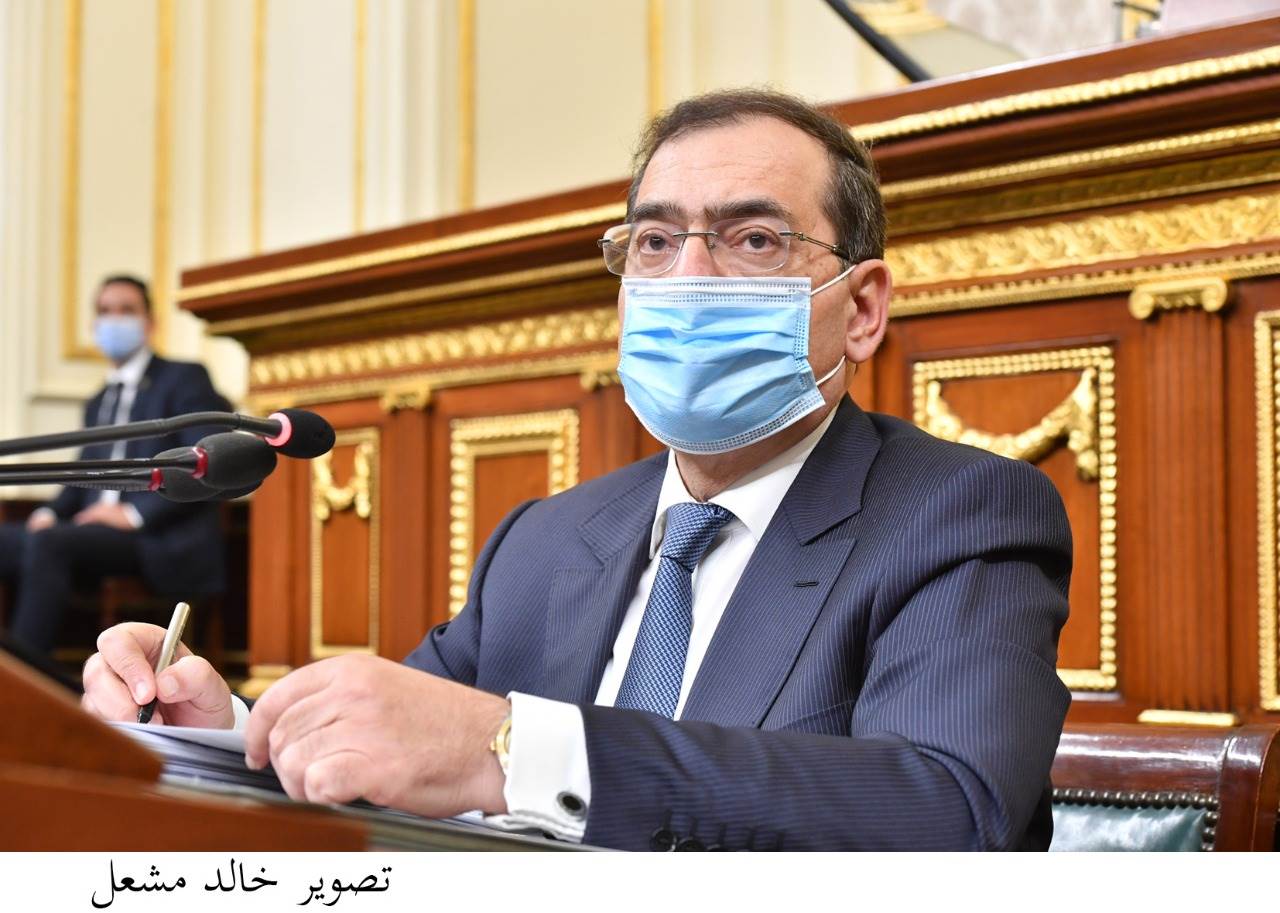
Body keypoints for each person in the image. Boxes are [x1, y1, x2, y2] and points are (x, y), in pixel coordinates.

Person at [80, 91, 1072, 851]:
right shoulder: (545, 538)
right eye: (655, 241)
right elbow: (398, 746)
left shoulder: (958, 513)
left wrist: (524, 753)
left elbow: (950, 810)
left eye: (753, 239)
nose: (688, 279)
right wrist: (225, 731)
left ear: (860, 308)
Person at [0, 274, 231, 656]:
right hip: (89, 534)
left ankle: (25, 675)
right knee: (19, 538)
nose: (114, 319)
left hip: (154, 538)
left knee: (50, 543)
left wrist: (132, 514)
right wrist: (48, 513)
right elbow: (80, 475)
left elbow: (204, 463)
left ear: (150, 323)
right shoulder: (99, 401)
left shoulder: (184, 379)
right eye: (105, 311)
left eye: (127, 310)